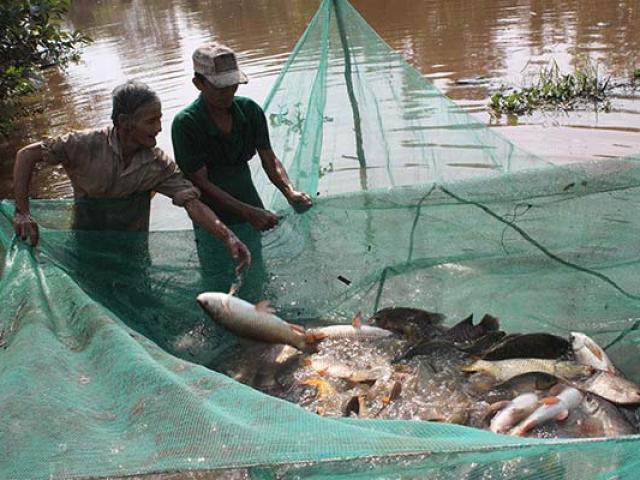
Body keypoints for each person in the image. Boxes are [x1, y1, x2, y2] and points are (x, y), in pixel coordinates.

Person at [12, 80, 251, 273]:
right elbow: (26, 156)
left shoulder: (157, 164)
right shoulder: (83, 144)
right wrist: (22, 213)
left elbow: (193, 204)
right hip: (86, 250)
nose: (159, 128)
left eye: (159, 118)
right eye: (151, 121)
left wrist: (227, 236)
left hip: (134, 257)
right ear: (125, 122)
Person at [171, 42, 312, 299]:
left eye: (232, 85)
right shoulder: (186, 123)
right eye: (219, 87)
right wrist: (249, 212)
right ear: (198, 83)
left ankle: (260, 322)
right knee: (219, 284)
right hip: (212, 217)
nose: (227, 93)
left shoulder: (249, 111)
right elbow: (200, 183)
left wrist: (289, 192)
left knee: (255, 275)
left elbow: (269, 158)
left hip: (250, 205)